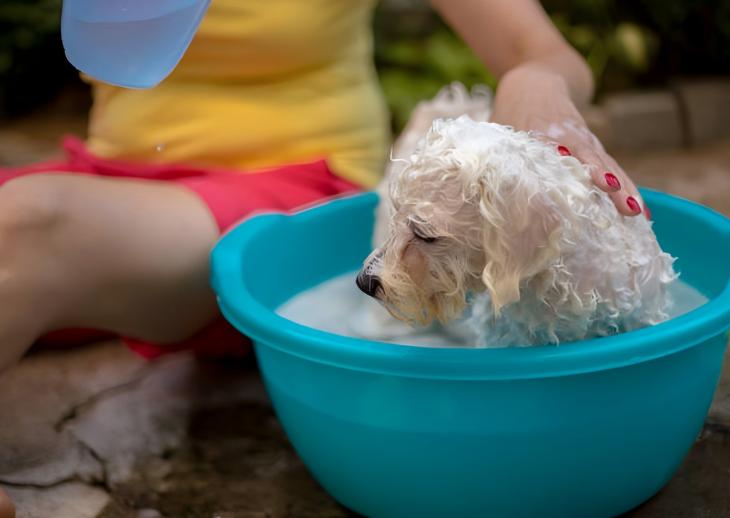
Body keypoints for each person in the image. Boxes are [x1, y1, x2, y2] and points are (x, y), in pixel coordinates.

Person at [0, 0, 645, 511]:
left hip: (291, 202)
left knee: (24, 225)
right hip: (104, 184)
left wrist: (534, 84)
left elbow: (539, 49)